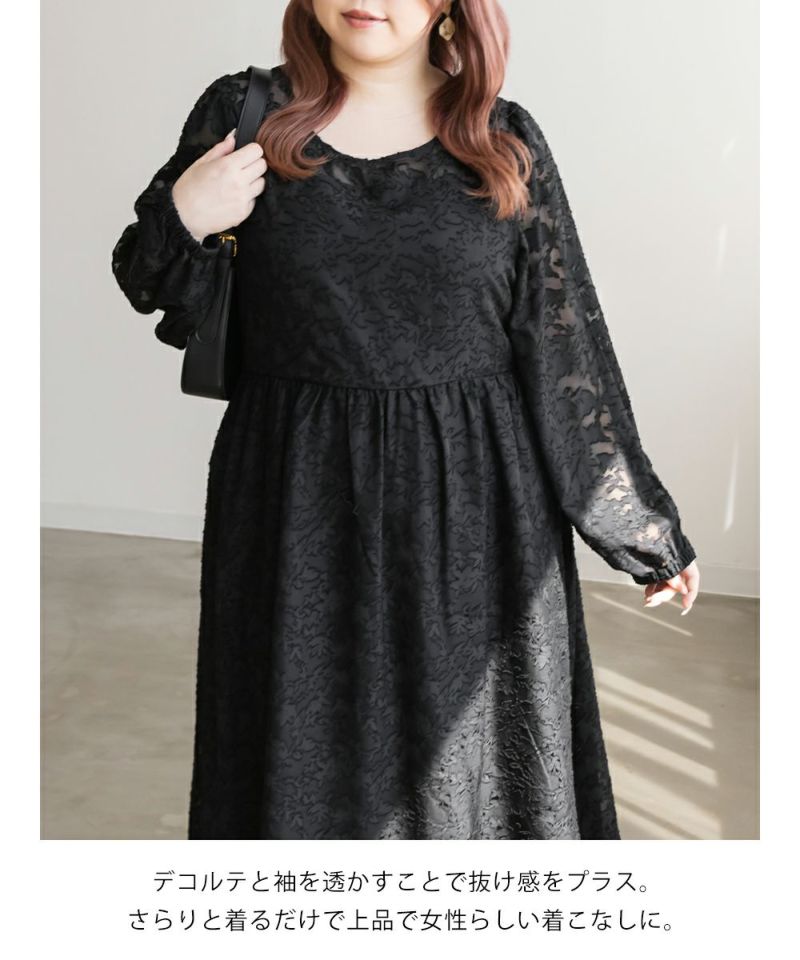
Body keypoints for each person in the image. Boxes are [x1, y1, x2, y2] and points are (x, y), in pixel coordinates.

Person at [110, 0, 700, 840]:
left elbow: (561, 343)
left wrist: (640, 528)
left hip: (477, 507)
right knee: (298, 747)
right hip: (294, 497)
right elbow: (150, 280)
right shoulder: (246, 113)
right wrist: (188, 213)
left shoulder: (502, 137)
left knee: (471, 762)